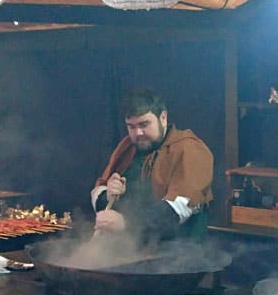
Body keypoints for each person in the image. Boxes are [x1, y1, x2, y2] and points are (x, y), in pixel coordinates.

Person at [92, 88, 214, 241]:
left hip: (180, 256)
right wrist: (108, 194)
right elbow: (98, 189)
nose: (138, 133)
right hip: (134, 253)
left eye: (144, 124)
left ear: (163, 117)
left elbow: (178, 209)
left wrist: (127, 223)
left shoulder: (190, 150)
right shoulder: (127, 146)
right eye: (131, 126)